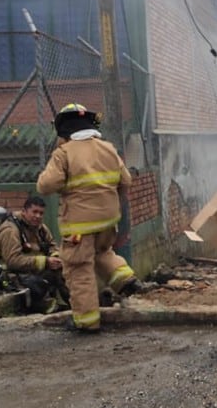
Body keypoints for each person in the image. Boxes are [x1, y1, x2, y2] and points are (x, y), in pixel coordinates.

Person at [36, 103, 141, 334]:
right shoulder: (108, 148)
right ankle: (126, 280)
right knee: (103, 253)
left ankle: (86, 322)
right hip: (108, 222)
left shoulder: (63, 153)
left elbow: (45, 186)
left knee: (78, 269)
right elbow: (126, 181)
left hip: (78, 227)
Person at [0, 196, 69, 314]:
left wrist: (55, 258)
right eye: (34, 212)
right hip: (10, 273)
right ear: (24, 212)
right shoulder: (11, 231)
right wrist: (45, 262)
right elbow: (13, 261)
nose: (38, 216)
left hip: (31, 267)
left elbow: (52, 245)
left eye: (41, 213)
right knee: (37, 284)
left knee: (66, 271)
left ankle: (71, 304)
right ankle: (43, 308)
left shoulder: (40, 228)